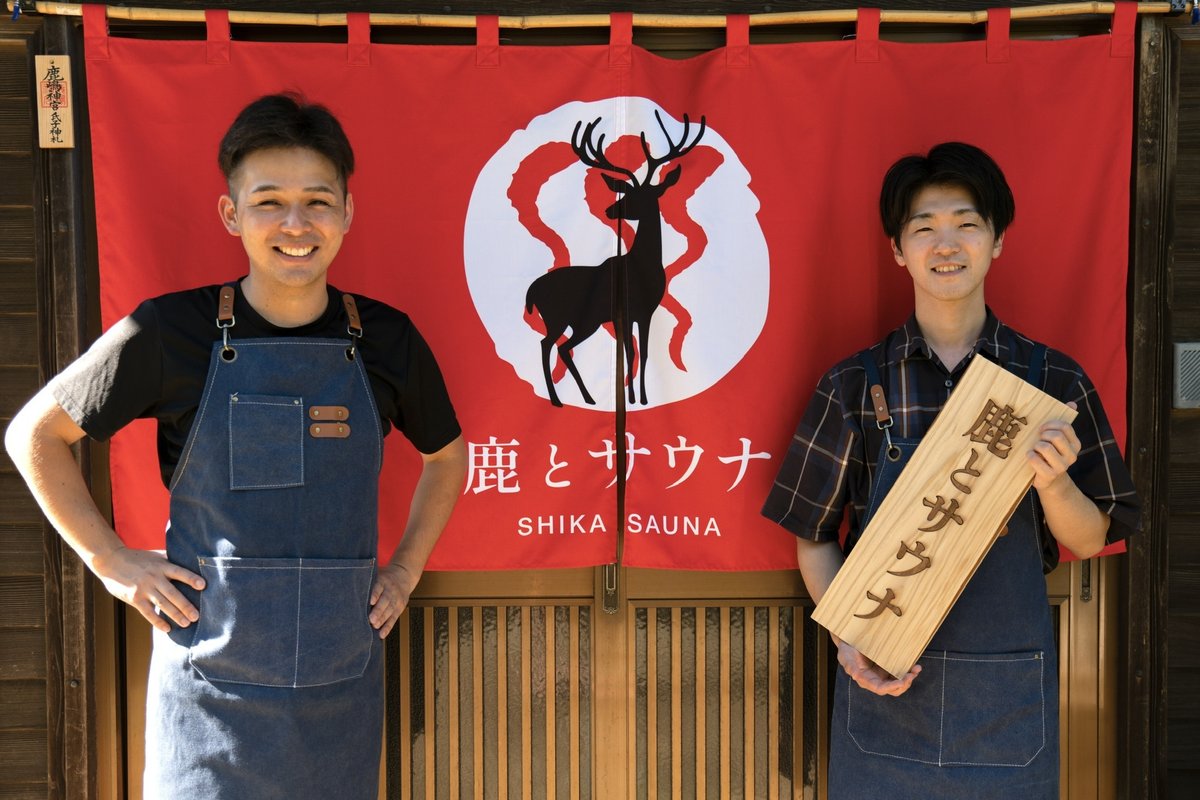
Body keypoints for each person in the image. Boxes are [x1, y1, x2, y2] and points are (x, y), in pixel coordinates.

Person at [5, 93, 467, 799]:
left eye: (317, 201)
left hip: (338, 691)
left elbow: (448, 456)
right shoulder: (172, 332)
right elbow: (35, 435)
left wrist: (405, 570)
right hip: (208, 697)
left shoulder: (386, 340)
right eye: (268, 201)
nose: (295, 224)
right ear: (232, 213)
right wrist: (111, 561)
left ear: (347, 211)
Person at [761, 142, 1139, 798]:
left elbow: (1089, 537)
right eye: (924, 228)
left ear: (996, 241)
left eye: (966, 224)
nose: (947, 243)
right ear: (898, 251)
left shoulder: (1051, 380)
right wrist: (850, 638)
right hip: (882, 683)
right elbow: (812, 532)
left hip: (1006, 694)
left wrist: (1052, 481)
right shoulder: (855, 383)